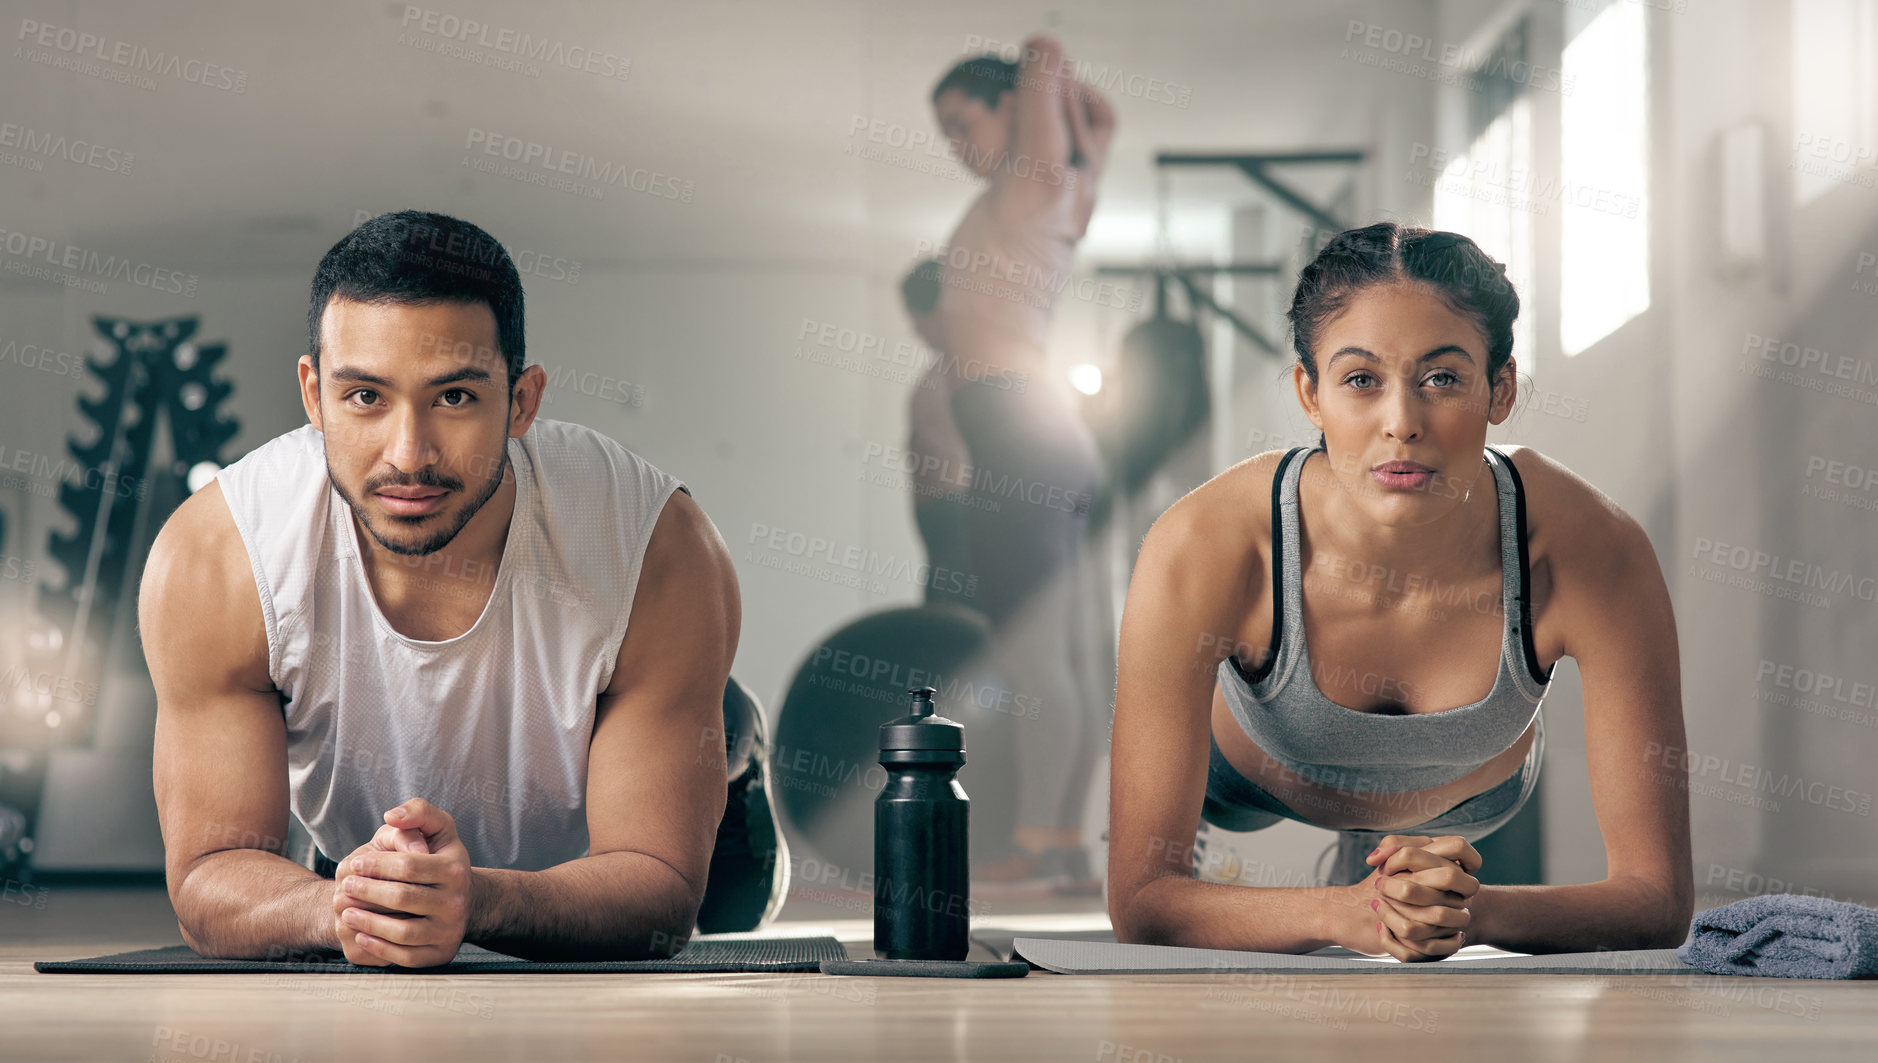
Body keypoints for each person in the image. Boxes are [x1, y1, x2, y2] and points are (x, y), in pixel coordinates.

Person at [140, 210, 787, 967]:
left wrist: (476, 901)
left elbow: (660, 889)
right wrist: (352, 904)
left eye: (453, 398)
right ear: (313, 396)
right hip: (363, 827)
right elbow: (208, 873)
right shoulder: (217, 557)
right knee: (356, 903)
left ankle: (734, 737)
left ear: (521, 401)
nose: (408, 455)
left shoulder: (657, 549)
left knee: (732, 910)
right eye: (365, 398)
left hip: (614, 827)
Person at [1106, 222, 1693, 960]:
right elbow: (1140, 905)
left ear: (1500, 388)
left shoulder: (1592, 544)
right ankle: (1357, 876)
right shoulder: (1204, 542)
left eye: (1442, 378)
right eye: (1361, 380)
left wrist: (1467, 913)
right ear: (1309, 394)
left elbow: (1658, 899)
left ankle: (1381, 870)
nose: (1401, 423)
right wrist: (1341, 914)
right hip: (1250, 782)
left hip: (1467, 796)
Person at [903, 35, 1117, 891]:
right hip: (1034, 435)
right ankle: (1056, 843)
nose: (958, 143)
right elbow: (1102, 118)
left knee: (1036, 659)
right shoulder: (1060, 189)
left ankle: (1042, 843)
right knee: (1054, 654)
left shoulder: (1034, 185)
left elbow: (1049, 53)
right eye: (944, 132)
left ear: (1009, 106)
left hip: (1019, 432)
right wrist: (1074, 130)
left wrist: (1041, 86)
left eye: (966, 119)